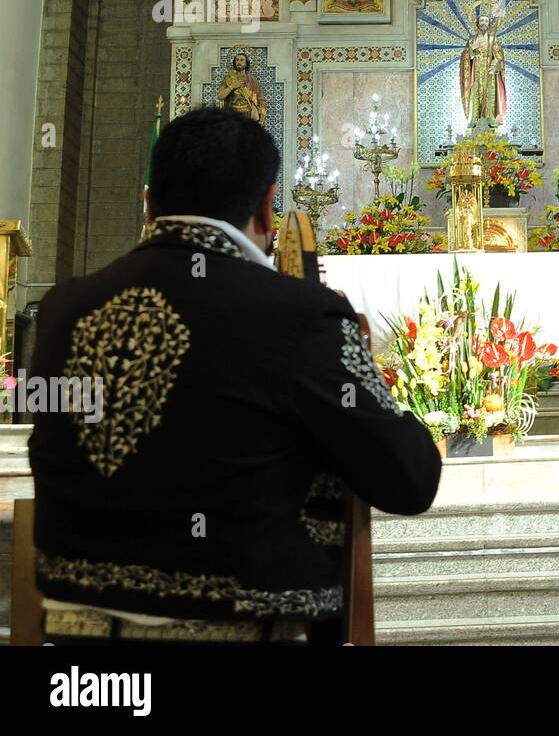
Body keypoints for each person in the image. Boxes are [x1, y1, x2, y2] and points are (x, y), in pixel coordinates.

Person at [28, 108, 441, 644]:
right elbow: (410, 479)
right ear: (270, 208)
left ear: (149, 202)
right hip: (245, 625)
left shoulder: (63, 307)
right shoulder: (303, 315)